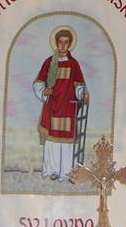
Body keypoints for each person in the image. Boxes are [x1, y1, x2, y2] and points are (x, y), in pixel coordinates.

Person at [33, 25, 88, 181]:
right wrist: (44, 91)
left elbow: (79, 85)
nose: (63, 45)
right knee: (52, 139)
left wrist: (83, 94)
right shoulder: (49, 62)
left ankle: (67, 171)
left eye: (66, 42)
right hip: (52, 106)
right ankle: (52, 170)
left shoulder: (73, 64)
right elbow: (39, 82)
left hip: (68, 106)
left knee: (67, 139)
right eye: (60, 42)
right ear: (56, 43)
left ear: (70, 44)